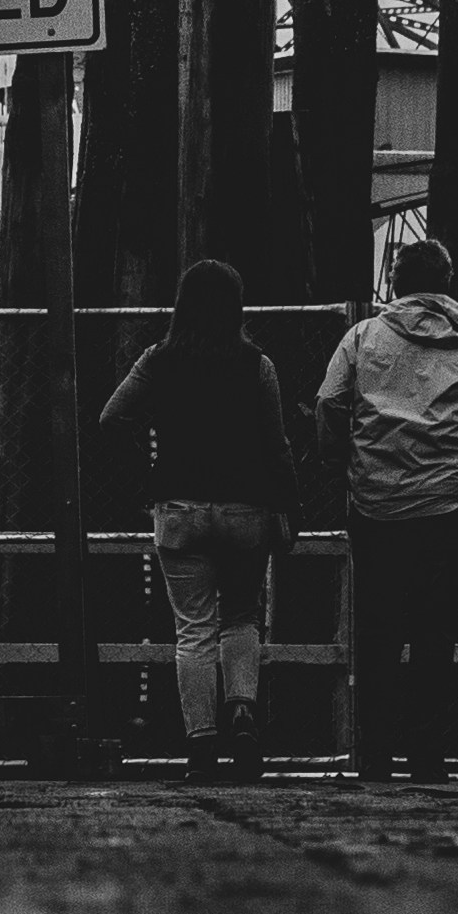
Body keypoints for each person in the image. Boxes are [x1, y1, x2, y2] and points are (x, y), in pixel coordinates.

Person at [318, 237, 458, 783]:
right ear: (446, 285)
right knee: (436, 633)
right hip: (449, 507)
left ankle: (374, 757)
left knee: (377, 634)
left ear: (396, 284)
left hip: (376, 505)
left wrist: (342, 464)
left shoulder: (362, 336)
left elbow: (330, 403)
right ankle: (428, 757)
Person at [98, 256, 296, 775]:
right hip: (245, 508)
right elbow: (277, 446)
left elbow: (112, 417)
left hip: (180, 507)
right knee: (242, 616)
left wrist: (147, 474)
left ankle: (202, 743)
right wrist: (286, 502)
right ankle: (244, 714)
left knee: (192, 628)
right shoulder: (257, 365)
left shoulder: (158, 360)